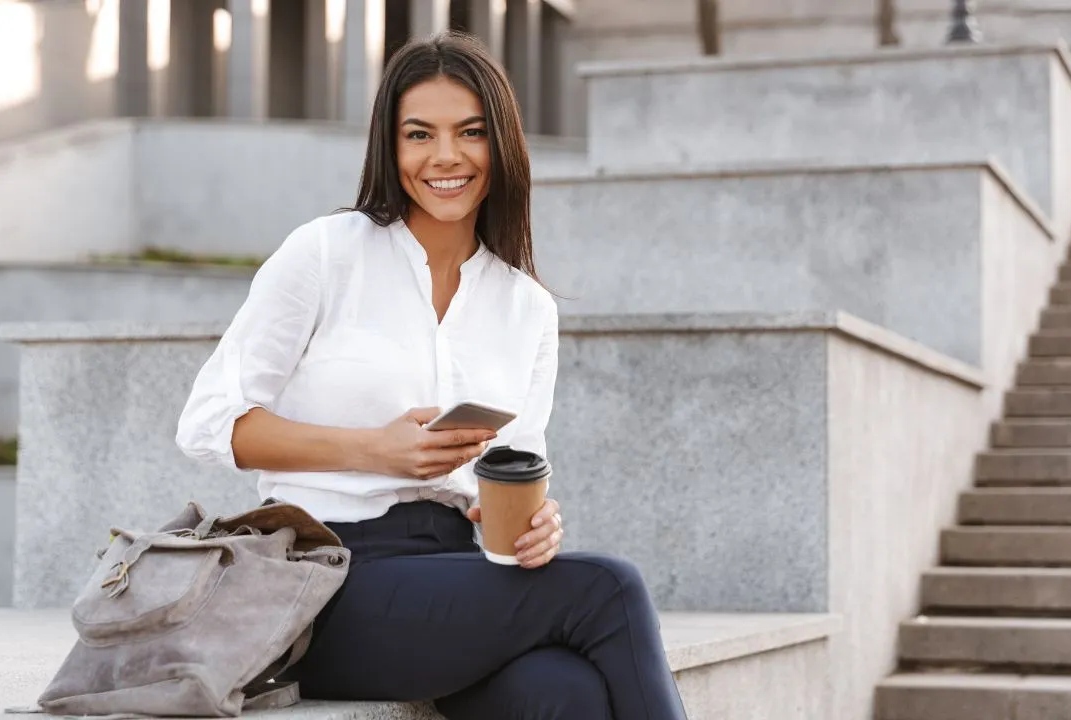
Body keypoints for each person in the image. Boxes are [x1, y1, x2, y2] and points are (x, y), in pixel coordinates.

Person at [175, 31, 687, 719]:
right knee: (610, 588)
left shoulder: (526, 306)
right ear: (390, 147)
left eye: (470, 132)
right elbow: (207, 424)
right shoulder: (326, 254)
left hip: (453, 574)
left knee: (564, 694)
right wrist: (373, 449)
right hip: (323, 579)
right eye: (420, 134)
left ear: (501, 144)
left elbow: (513, 474)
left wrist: (536, 524)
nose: (445, 157)